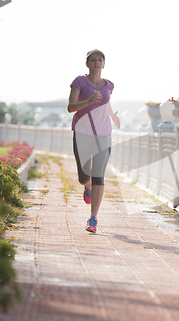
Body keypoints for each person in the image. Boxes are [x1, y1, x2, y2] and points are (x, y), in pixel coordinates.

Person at [67, 49, 120, 233]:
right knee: (84, 176)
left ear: (104, 64)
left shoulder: (109, 85)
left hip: (103, 135)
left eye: (100, 60)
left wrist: (112, 115)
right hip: (82, 133)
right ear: (87, 63)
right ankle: (86, 187)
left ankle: (93, 218)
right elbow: (70, 107)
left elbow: (105, 103)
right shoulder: (79, 81)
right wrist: (88, 101)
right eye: (93, 60)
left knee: (98, 175)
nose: (97, 63)